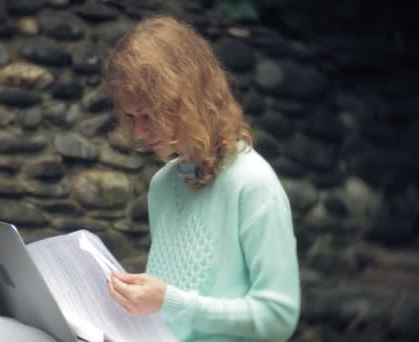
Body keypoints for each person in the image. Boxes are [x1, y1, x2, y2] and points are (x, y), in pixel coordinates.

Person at [103, 15, 301, 341]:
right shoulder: (163, 185)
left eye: (149, 114)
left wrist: (169, 301)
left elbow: (278, 317)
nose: (139, 132)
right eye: (131, 117)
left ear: (186, 101)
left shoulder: (254, 184)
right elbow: (171, 320)